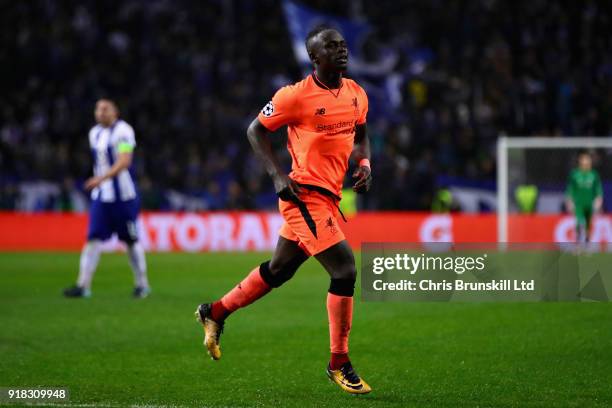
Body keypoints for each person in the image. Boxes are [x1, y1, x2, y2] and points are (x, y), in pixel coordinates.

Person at [195, 26, 373, 394]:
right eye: (331, 47)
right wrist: (277, 175)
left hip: (328, 197)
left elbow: (361, 131)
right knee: (345, 269)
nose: (341, 51)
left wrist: (365, 162)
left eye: (342, 45)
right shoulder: (294, 96)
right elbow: (255, 131)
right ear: (314, 57)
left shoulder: (356, 92)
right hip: (303, 195)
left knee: (278, 271)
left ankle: (215, 312)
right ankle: (338, 362)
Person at [63, 99, 150, 298]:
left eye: (105, 109)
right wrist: (100, 181)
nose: (101, 112)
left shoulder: (124, 131)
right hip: (102, 196)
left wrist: (100, 178)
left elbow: (125, 161)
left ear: (115, 112)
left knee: (130, 239)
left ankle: (142, 284)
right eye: (98, 109)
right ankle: (83, 285)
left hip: (124, 197)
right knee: (92, 238)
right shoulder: (94, 133)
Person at [565, 151, 603, 243]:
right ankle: (577, 242)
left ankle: (587, 242)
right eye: (583, 159)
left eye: (587, 159)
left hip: (589, 202)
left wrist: (599, 198)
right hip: (578, 203)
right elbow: (570, 188)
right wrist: (569, 200)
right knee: (578, 221)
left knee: (588, 223)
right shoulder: (574, 174)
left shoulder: (594, 174)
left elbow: (598, 188)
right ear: (580, 160)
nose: (585, 161)